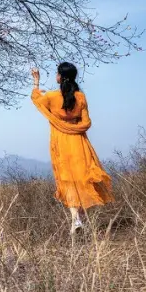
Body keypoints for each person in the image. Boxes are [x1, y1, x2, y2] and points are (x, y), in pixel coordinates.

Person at [30, 62, 114, 235]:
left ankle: (76, 221)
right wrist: (73, 127)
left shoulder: (52, 97)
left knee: (67, 180)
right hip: (79, 143)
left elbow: (36, 100)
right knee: (82, 178)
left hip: (61, 142)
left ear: (60, 77)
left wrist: (36, 82)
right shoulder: (81, 97)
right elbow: (86, 123)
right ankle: (79, 221)